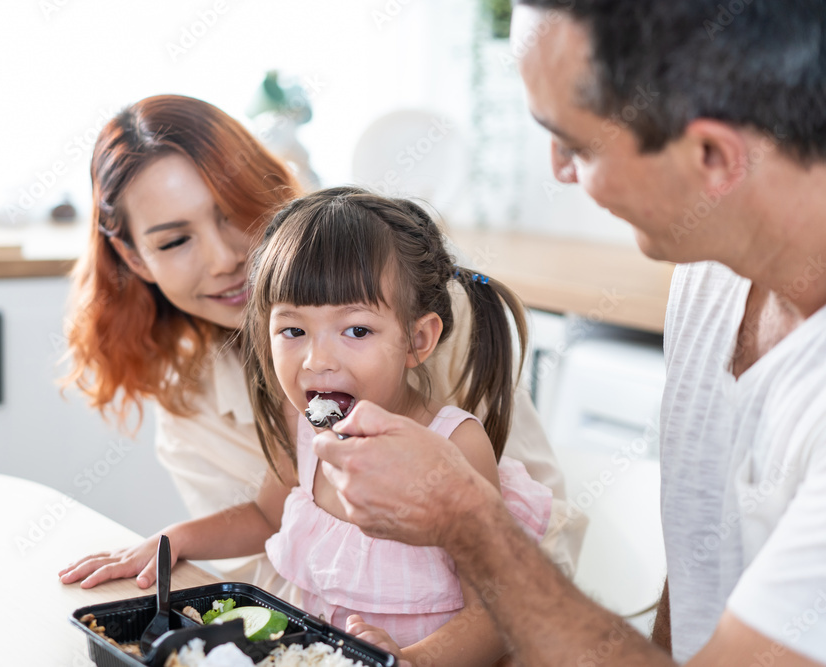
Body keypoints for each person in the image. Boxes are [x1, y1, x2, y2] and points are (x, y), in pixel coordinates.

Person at [313, 1, 826, 666]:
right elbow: (709, 572)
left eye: (578, 145)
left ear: (711, 157)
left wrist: (467, 519)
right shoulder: (711, 265)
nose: (558, 167)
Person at [56, 95, 584, 600]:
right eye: (175, 241)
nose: (222, 260)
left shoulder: (425, 316)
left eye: (233, 210)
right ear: (135, 257)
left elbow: (529, 549)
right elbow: (272, 567)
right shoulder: (194, 410)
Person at [151, 187, 552, 666]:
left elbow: (496, 611)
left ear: (417, 340)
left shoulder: (454, 447)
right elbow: (265, 518)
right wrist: (174, 540)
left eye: (356, 331)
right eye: (292, 331)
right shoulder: (301, 425)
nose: (317, 361)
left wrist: (410, 659)